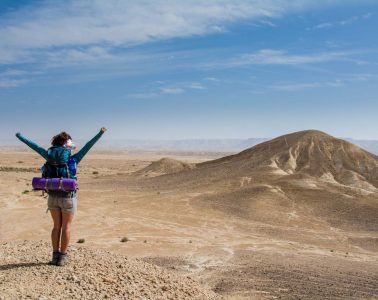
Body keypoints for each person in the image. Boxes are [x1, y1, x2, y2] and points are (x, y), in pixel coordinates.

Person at [15, 127, 107, 266]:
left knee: (56, 227)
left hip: (52, 197)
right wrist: (100, 133)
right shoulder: (72, 160)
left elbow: (34, 145)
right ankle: (62, 257)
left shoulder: (48, 155)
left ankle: (54, 256)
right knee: (67, 227)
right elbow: (89, 145)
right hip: (68, 197)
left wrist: (20, 136)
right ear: (67, 145)